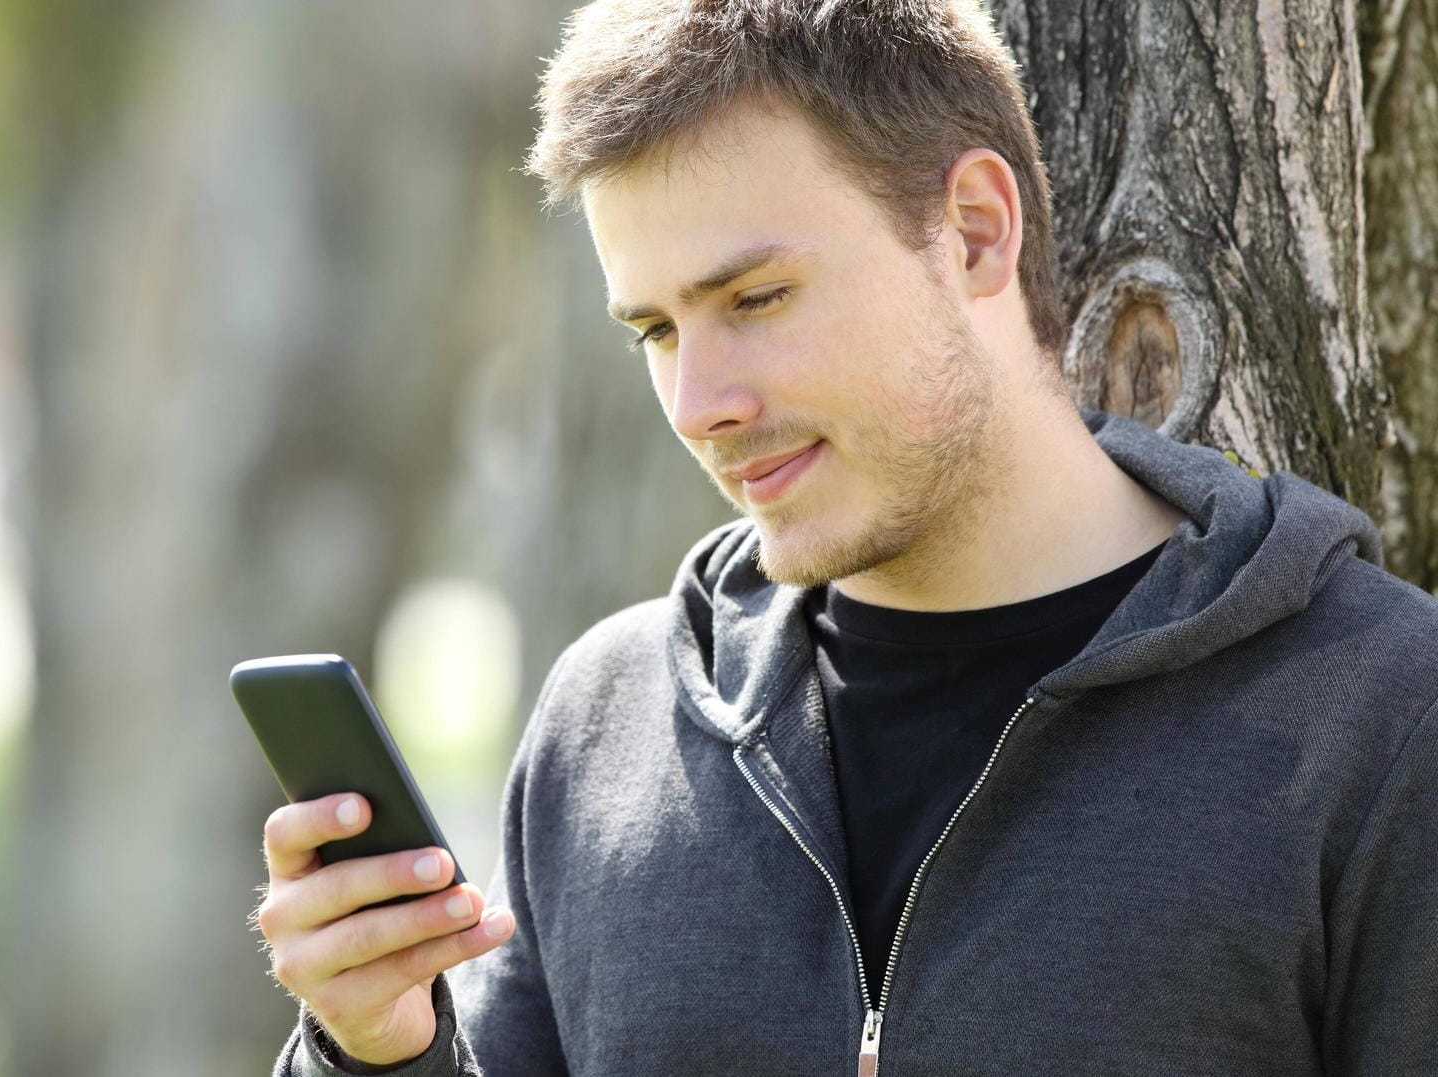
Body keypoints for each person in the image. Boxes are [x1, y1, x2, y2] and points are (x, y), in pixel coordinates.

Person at [256, 1, 1438, 1073]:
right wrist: (375, 1051)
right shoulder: (604, 727)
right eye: (656, 331)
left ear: (974, 232)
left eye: (755, 299)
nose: (697, 401)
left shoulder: (1379, 719)